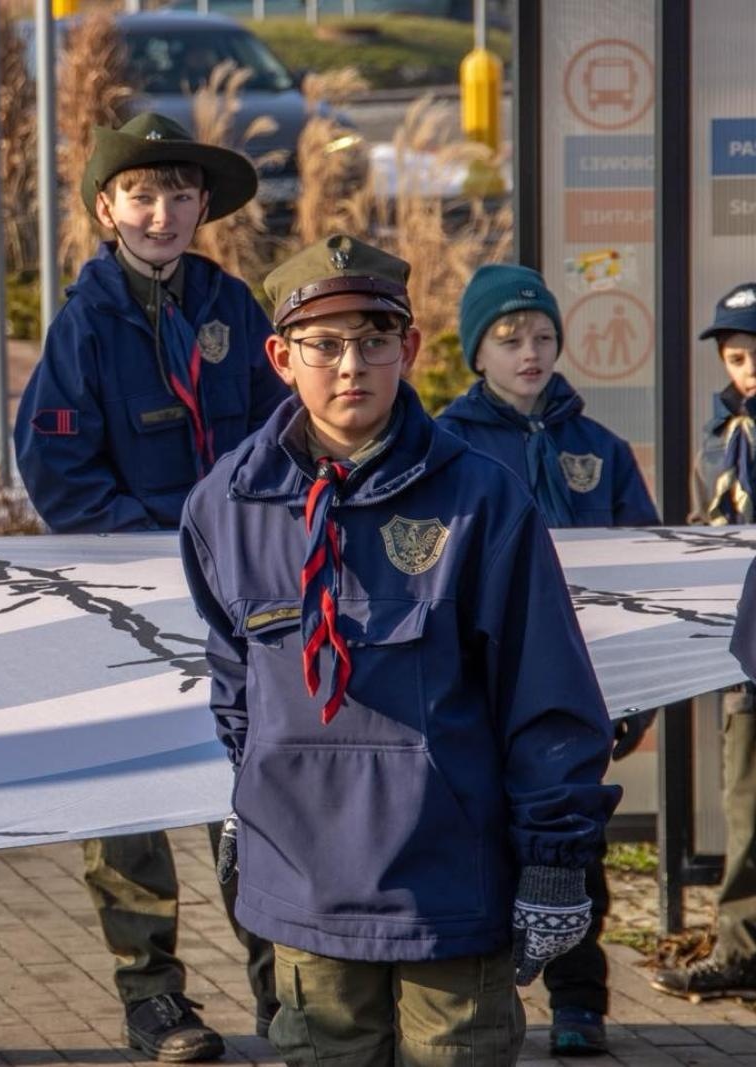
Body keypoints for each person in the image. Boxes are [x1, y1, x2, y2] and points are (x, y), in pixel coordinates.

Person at [179, 235, 620, 1066]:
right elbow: (237, 680)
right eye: (324, 343)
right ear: (280, 357)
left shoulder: (481, 499)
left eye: (374, 339)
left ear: (409, 349)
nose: (351, 365)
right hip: (306, 886)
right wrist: (250, 795)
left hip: (449, 890)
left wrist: (555, 856)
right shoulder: (226, 505)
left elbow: (546, 693)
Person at [13, 112, 286, 1061]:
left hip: (241, 598)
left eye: (178, 194)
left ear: (203, 206)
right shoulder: (85, 324)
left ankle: (282, 990)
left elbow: (281, 431)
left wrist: (248, 534)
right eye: (140, 195)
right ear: (106, 210)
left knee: (255, 791)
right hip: (131, 604)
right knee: (129, 806)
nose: (161, 213)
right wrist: (157, 546)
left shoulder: (233, 308)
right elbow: (56, 470)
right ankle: (153, 996)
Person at [435, 263, 657, 1055]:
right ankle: (486, 997)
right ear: (476, 353)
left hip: (580, 683)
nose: (529, 352)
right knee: (483, 840)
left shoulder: (598, 448)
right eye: (508, 339)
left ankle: (579, 999)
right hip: (484, 681)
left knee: (572, 840)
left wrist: (639, 689)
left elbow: (641, 571)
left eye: (542, 336)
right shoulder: (446, 446)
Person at [655, 281, 756, 1002]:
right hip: (745, 652)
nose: (749, 370)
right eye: (737, 357)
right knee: (745, 803)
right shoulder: (720, 435)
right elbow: (706, 516)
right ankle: (742, 948)